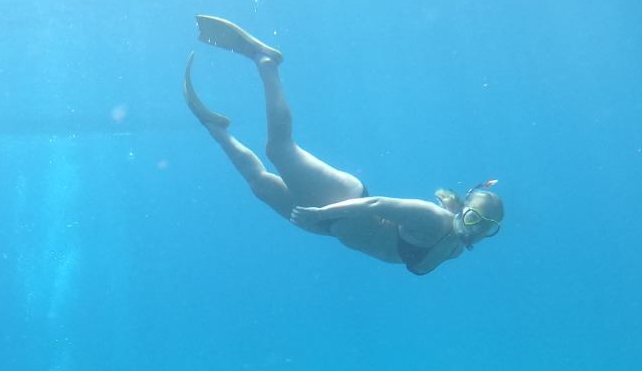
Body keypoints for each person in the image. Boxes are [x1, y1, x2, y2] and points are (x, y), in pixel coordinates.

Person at [183, 15, 504, 276]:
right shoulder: (433, 219)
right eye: (475, 219)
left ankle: (215, 127)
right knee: (279, 149)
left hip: (331, 225)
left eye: (487, 229)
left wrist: (322, 221)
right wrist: (320, 214)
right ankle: (266, 62)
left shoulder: (454, 248)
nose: (476, 231)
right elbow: (376, 205)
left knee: (260, 185)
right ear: (464, 209)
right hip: (342, 203)